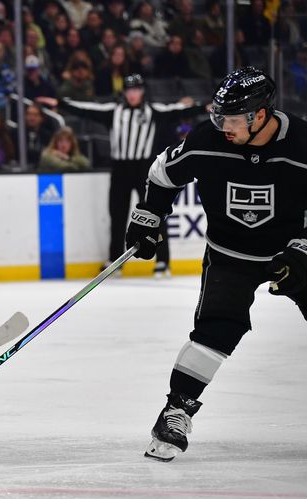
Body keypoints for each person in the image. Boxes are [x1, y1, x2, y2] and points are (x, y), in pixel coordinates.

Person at [125, 67, 307, 462]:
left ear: (260, 115)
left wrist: (301, 249)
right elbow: (162, 173)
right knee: (215, 332)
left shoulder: (303, 144)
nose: (222, 125)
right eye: (218, 116)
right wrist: (148, 218)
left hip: (293, 252)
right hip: (230, 255)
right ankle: (176, 411)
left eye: (232, 119)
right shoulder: (207, 140)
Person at [39, 73, 204, 276]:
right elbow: (87, 109)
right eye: (129, 90)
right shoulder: (114, 111)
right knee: (117, 215)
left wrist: (204, 106)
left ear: (142, 91)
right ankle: (115, 260)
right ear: (124, 92)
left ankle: (163, 261)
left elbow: (177, 110)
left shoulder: (153, 111)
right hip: (120, 169)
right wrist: (62, 104)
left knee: (155, 214)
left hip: (144, 169)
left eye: (136, 90)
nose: (133, 94)